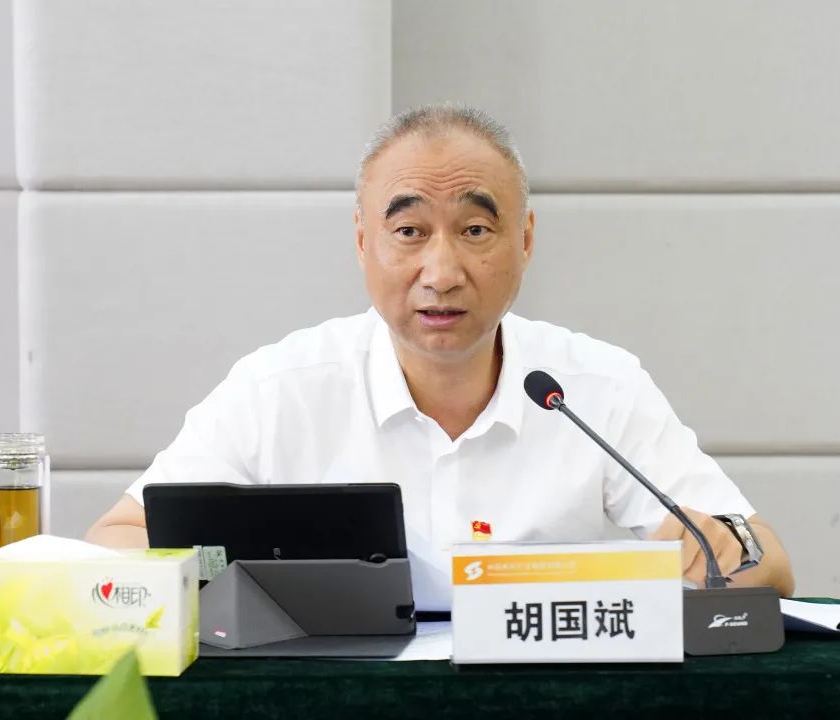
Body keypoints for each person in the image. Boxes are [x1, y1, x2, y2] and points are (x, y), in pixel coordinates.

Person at [86, 104, 795, 609]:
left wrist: (717, 560)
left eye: (476, 229)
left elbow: (765, 558)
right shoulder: (280, 388)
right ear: (362, 242)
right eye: (409, 232)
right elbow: (117, 538)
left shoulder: (591, 386)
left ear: (525, 241)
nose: (442, 272)